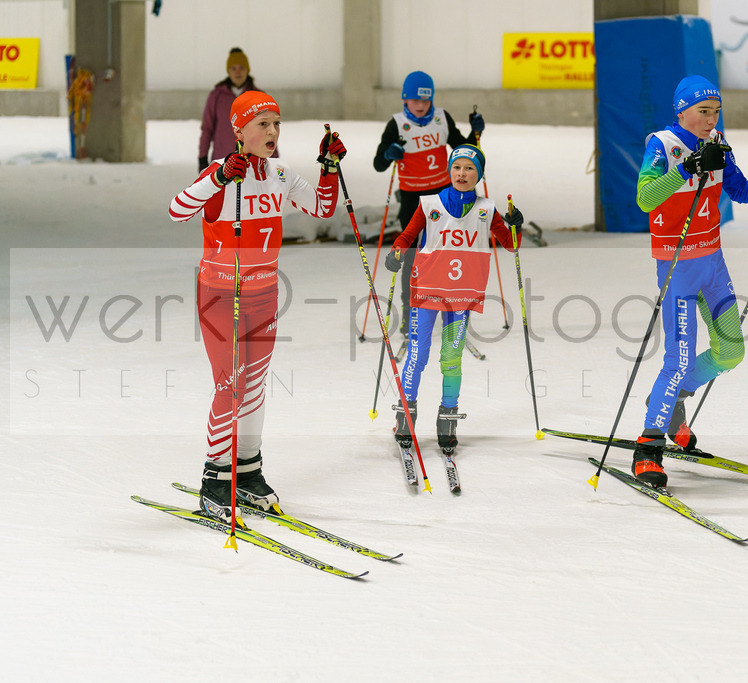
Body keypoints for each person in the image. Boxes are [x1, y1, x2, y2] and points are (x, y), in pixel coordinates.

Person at [169, 91, 347, 521]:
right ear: (238, 130)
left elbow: (323, 208)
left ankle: (246, 472)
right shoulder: (221, 174)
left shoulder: (281, 174)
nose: (272, 131)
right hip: (221, 294)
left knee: (254, 387)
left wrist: (329, 168)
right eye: (262, 124)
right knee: (230, 383)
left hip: (264, 293)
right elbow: (177, 211)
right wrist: (217, 179)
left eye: (276, 123)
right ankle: (215, 478)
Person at [631, 75, 748, 487]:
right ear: (682, 111)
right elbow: (645, 198)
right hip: (677, 266)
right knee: (677, 361)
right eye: (702, 112)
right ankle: (649, 445)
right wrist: (687, 168)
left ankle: (672, 399)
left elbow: (741, 189)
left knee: (730, 352)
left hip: (713, 264)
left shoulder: (718, 145)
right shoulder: (662, 145)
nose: (710, 119)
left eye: (715, 112)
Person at [383, 145, 521, 454]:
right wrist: (396, 253)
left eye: (470, 168)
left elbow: (511, 245)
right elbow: (407, 236)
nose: (462, 173)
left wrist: (517, 225)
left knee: (451, 358)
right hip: (427, 291)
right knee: (417, 355)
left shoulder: (487, 208)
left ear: (479, 174)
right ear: (450, 171)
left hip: (462, 295)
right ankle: (405, 415)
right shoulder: (430, 203)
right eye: (457, 167)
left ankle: (448, 418)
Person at [373, 70, 485, 336]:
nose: (421, 106)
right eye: (415, 100)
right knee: (412, 256)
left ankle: (449, 311)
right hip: (412, 198)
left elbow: (463, 150)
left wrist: (476, 132)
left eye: (425, 100)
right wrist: (390, 153)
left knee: (446, 254)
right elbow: (379, 164)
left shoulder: (441, 118)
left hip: (443, 196)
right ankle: (410, 311)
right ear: (405, 99)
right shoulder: (397, 124)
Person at [198, 47, 277, 175]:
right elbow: (207, 128)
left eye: (241, 67)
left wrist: (274, 161)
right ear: (228, 71)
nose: (238, 72)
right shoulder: (217, 96)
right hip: (222, 163)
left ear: (247, 70)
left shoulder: (258, 95)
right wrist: (202, 158)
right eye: (233, 68)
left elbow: (269, 129)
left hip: (253, 164)